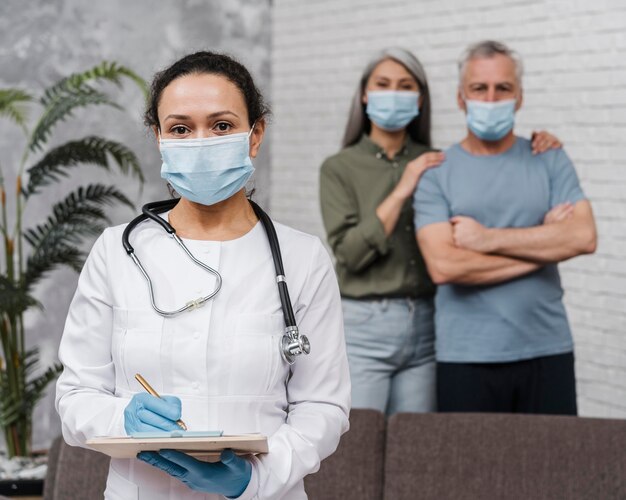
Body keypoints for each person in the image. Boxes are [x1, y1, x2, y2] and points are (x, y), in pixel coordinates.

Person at [55, 51, 350, 499]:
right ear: (158, 138)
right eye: (180, 128)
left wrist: (254, 480)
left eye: (222, 125)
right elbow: (75, 395)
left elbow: (322, 407)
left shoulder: (303, 259)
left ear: (255, 135)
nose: (200, 141)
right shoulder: (116, 251)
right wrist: (123, 420)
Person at [319, 47, 560, 416]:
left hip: (428, 324)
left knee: (418, 447)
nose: (394, 94)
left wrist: (540, 144)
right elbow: (350, 255)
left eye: (405, 86)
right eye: (383, 85)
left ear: (419, 99)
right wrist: (403, 188)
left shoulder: (438, 160)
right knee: (358, 445)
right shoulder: (340, 167)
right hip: (365, 324)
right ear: (365, 94)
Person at [414, 40, 597, 415]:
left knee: (553, 470)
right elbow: (445, 267)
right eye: (480, 88)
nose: (491, 98)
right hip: (466, 355)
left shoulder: (549, 158)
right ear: (461, 98)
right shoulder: (436, 172)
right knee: (471, 473)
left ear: (520, 97)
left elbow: (583, 236)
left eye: (504, 88)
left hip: (548, 349)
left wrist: (485, 239)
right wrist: (543, 249)